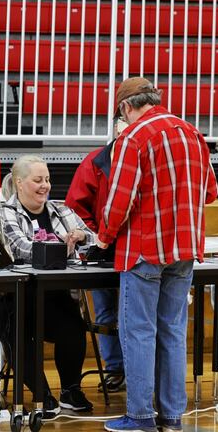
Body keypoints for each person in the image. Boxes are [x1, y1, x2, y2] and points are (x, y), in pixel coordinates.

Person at [100, 77, 218, 432]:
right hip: (184, 249)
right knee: (172, 331)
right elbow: (210, 192)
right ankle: (170, 417)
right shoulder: (191, 133)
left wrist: (104, 238)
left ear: (124, 107)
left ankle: (139, 417)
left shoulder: (133, 138)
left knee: (138, 332)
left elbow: (120, 201)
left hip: (144, 249)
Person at [0, 155, 95, 416]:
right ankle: (42, 396)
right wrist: (62, 246)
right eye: (38, 180)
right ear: (19, 183)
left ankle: (70, 391)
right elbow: (20, 247)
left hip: (54, 295)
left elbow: (95, 241)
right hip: (17, 298)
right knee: (19, 333)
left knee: (74, 326)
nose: (45, 186)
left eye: (48, 180)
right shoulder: (5, 211)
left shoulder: (62, 210)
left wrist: (82, 236)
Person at [64, 120, 129, 394]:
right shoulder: (95, 162)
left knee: (133, 314)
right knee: (105, 311)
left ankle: (137, 369)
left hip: (138, 249)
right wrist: (97, 235)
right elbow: (75, 207)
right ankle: (115, 368)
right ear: (117, 126)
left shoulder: (146, 157)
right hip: (104, 249)